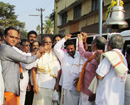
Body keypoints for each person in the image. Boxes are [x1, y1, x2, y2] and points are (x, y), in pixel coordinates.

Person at [0, 27, 42, 105]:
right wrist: (37, 55)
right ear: (5, 37)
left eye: (16, 38)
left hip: (12, 89)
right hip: (8, 90)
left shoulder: (10, 48)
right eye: (11, 37)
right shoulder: (5, 48)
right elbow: (25, 59)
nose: (14, 40)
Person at [54, 34, 86, 105]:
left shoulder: (80, 54)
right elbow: (56, 48)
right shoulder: (63, 55)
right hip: (67, 87)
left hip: (78, 87)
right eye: (68, 49)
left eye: (72, 49)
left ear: (75, 47)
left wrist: (80, 78)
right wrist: (64, 38)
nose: (70, 51)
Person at [95, 34, 128, 105]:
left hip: (106, 99)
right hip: (117, 100)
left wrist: (99, 62)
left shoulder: (110, 56)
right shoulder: (123, 57)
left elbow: (99, 75)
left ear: (109, 43)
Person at [76, 32, 106, 105]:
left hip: (90, 92)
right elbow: (83, 52)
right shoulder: (93, 55)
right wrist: (82, 41)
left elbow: (99, 77)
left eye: (92, 43)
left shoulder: (100, 57)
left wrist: (93, 92)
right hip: (85, 89)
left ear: (94, 44)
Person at [32, 36, 61, 105]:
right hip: (40, 86)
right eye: (46, 42)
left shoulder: (54, 55)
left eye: (50, 42)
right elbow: (34, 70)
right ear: (42, 43)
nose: (48, 44)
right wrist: (35, 85)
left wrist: (57, 84)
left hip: (52, 86)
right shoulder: (39, 54)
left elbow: (58, 70)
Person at [25, 41, 41, 105]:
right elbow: (27, 70)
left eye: (37, 45)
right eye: (34, 45)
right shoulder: (29, 56)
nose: (35, 47)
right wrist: (28, 83)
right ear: (31, 47)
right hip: (31, 83)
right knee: (29, 100)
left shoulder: (43, 55)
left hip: (39, 83)